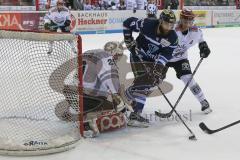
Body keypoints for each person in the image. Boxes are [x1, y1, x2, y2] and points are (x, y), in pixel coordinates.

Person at [60, 41, 130, 137]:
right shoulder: (106, 57)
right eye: (118, 55)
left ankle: (73, 111)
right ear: (114, 52)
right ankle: (87, 123)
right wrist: (119, 100)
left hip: (71, 92)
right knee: (111, 107)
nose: (117, 58)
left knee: (88, 92)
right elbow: (110, 79)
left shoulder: (89, 52)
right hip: (88, 98)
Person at [123, 9, 178, 127]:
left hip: (153, 61)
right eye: (167, 23)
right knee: (145, 82)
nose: (169, 27)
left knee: (154, 82)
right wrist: (128, 40)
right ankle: (135, 114)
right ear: (160, 21)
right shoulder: (147, 24)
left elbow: (166, 54)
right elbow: (127, 23)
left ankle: (126, 97)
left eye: (172, 24)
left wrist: (158, 68)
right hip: (138, 55)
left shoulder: (173, 38)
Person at [163, 9, 212, 114]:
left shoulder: (195, 31)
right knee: (154, 80)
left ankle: (203, 101)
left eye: (190, 21)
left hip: (181, 59)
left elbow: (201, 39)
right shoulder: (171, 30)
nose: (188, 23)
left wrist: (204, 47)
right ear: (181, 19)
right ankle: (135, 103)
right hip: (164, 58)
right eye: (185, 21)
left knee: (189, 79)